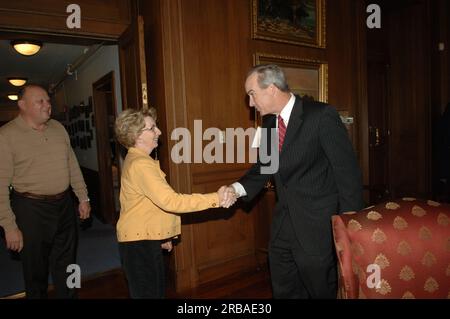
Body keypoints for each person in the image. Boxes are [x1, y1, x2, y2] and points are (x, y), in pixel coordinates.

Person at [222, 64, 364, 299]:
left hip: (318, 224)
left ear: (272, 89)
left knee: (320, 288)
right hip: (284, 222)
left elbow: (347, 172)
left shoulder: (321, 115)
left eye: (251, 94)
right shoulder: (269, 123)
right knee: (283, 282)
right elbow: (263, 168)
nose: (250, 103)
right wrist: (235, 189)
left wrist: (348, 225)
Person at [114, 108, 234, 298]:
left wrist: (162, 235)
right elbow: (171, 201)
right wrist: (216, 198)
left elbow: (149, 204)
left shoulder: (137, 159)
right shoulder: (141, 164)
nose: (159, 132)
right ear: (136, 135)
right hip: (139, 245)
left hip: (142, 240)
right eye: (152, 128)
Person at [0, 84, 91, 298]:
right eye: (40, 101)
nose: (47, 104)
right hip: (31, 210)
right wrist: (9, 226)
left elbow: (72, 166)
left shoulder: (58, 128)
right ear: (22, 105)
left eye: (48, 100)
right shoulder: (6, 135)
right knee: (35, 271)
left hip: (64, 207)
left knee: (69, 263)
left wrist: (83, 197)